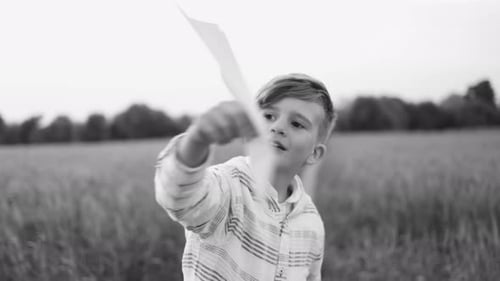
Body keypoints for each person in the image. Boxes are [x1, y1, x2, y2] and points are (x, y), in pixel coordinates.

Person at [154, 73, 336, 281]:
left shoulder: (311, 221)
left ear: (314, 153)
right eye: (268, 116)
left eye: (296, 124)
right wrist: (197, 140)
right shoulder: (230, 186)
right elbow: (182, 199)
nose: (277, 127)